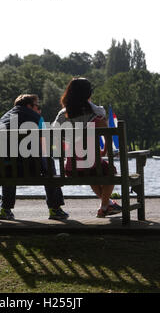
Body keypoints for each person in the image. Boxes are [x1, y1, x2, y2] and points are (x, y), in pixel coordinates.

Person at [0, 94, 68, 221]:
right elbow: (43, 149)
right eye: (37, 106)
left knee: (9, 165)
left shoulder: (3, 118)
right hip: (26, 169)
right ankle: (55, 209)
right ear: (29, 106)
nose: (38, 109)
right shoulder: (37, 118)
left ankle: (5, 210)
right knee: (48, 161)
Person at [53, 77, 121, 218]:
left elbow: (56, 134)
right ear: (88, 94)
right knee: (109, 172)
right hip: (91, 165)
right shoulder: (96, 113)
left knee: (92, 172)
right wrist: (104, 151)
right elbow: (107, 135)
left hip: (71, 168)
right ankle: (104, 207)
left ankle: (108, 203)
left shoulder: (62, 115)